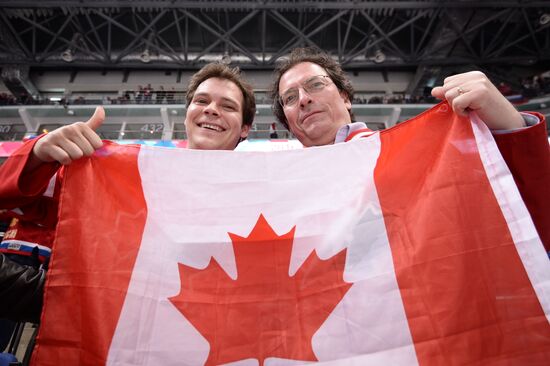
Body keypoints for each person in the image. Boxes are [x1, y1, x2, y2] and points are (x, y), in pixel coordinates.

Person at [0, 62, 256, 322]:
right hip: (116, 336)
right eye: (202, 101)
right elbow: (12, 201)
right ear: (187, 112)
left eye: (228, 106)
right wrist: (36, 155)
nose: (211, 110)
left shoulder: (260, 198)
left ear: (245, 128)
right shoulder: (123, 171)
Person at [268, 47, 549, 252]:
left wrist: (510, 126)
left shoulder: (415, 150)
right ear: (289, 122)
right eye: (290, 98)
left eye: (315, 85)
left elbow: (522, 217)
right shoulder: (280, 191)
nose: (303, 99)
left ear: (345, 97)